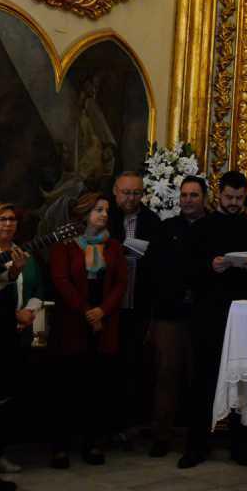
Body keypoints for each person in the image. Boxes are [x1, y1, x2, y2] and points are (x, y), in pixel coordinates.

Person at [179, 171, 247, 469]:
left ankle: (241, 445)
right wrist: (210, 267)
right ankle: (196, 445)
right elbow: (186, 271)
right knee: (202, 378)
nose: (233, 203)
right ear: (219, 194)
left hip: (243, 312)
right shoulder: (202, 227)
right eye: (229, 197)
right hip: (208, 312)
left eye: (239, 198)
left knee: (242, 379)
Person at [48, 192, 127, 468]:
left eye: (106, 210)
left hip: (103, 322)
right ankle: (60, 446)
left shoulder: (113, 246)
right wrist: (86, 311)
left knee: (97, 386)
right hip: (72, 321)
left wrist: (101, 311)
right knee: (67, 386)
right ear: (83, 214)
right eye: (98, 210)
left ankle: (92, 442)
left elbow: (120, 283)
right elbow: (61, 280)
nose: (104, 214)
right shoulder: (65, 246)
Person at [0, 202, 47, 476]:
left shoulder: (24, 253)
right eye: (1, 219)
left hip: (18, 332)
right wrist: (12, 313)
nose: (8, 224)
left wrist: (29, 311)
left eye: (12, 219)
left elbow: (38, 287)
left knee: (8, 394)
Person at [145, 175, 207, 458]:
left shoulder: (213, 227)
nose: (188, 200)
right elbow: (153, 268)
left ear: (204, 198)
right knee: (166, 374)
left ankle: (198, 438)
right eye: (184, 195)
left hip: (203, 314)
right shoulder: (166, 228)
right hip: (169, 313)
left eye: (194, 195)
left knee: (199, 377)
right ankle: (161, 435)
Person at [108, 171, 161, 440]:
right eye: (126, 193)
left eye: (136, 193)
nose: (131, 198)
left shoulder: (152, 221)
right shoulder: (105, 215)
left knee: (134, 363)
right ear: (115, 191)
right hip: (108, 302)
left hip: (139, 301)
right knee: (108, 364)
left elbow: (159, 259)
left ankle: (130, 422)